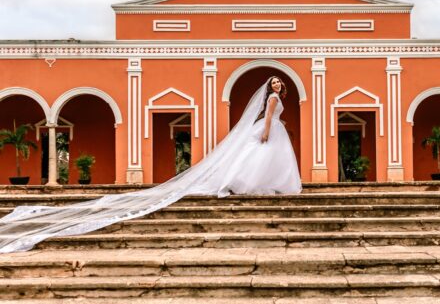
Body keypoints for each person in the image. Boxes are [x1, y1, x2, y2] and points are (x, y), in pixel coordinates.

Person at [0, 76, 302, 253]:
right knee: (261, 157)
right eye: (273, 81)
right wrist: (265, 132)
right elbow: (266, 118)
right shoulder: (273, 100)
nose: (276, 84)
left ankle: (254, 184)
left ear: (281, 85)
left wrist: (272, 125)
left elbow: (269, 115)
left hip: (271, 129)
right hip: (268, 131)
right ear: (271, 87)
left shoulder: (274, 99)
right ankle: (254, 184)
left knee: (260, 161)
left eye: (278, 81)